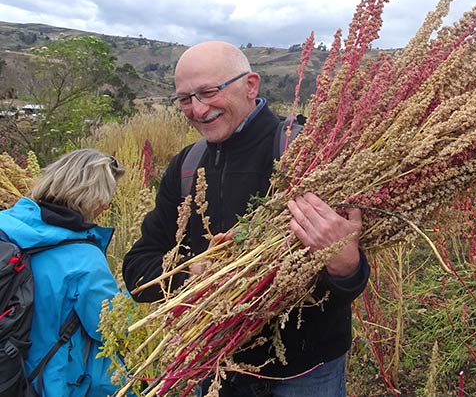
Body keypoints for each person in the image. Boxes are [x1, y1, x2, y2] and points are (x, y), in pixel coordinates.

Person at [122, 41, 370, 397]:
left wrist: (345, 265)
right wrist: (194, 270)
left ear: (250, 85)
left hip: (304, 375)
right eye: (184, 99)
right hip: (214, 367)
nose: (197, 108)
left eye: (208, 92)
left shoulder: (308, 152)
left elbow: (350, 279)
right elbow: (137, 270)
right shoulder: (185, 167)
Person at [0, 149, 125, 397]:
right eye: (105, 198)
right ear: (93, 199)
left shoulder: (6, 225)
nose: (106, 206)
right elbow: (114, 329)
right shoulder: (84, 260)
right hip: (47, 383)